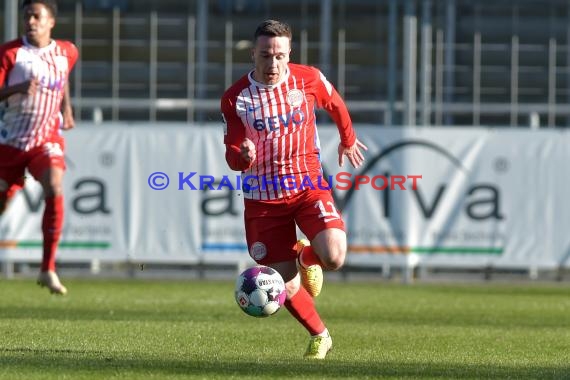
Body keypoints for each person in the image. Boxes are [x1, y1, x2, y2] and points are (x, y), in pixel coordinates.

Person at [221, 19, 367, 359]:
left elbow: (334, 103)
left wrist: (348, 138)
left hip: (306, 186)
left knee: (334, 255)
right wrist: (241, 156)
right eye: (265, 56)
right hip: (263, 200)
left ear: (289, 54)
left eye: (279, 56)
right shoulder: (235, 98)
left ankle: (307, 255)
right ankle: (320, 335)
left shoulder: (308, 79)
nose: (272, 64)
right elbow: (232, 155)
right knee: (283, 283)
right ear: (253, 55)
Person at [0, 0, 78, 295]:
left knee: (55, 186)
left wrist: (67, 108)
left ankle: (47, 268)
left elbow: (63, 79)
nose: (30, 21)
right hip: (9, 142)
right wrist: (16, 88)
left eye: (36, 16)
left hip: (46, 140)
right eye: (26, 16)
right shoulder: (10, 53)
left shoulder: (67, 51)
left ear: (51, 22)